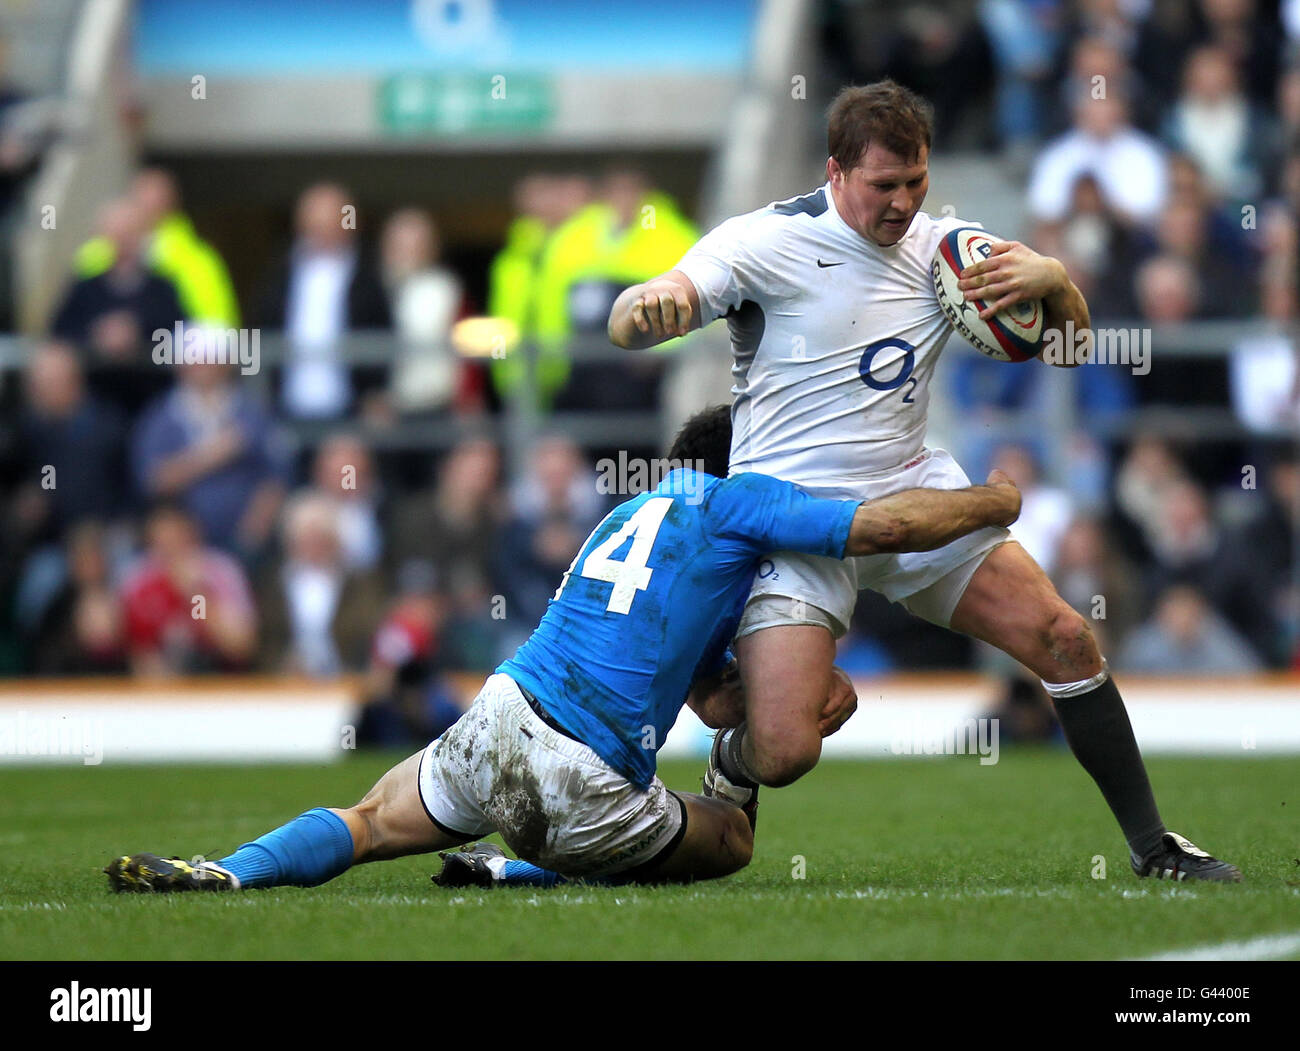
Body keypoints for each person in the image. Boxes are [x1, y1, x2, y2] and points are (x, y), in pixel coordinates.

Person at [606, 80, 1241, 883]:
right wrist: (646, 306)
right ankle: (736, 760)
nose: (904, 203)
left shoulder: (950, 251)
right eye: (884, 186)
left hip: (913, 498)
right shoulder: (762, 241)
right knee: (788, 749)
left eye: (917, 182)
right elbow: (652, 304)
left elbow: (1072, 348)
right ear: (836, 173)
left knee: (1067, 638)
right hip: (794, 524)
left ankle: (1156, 848)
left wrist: (1053, 279)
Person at [103, 406, 1022, 893]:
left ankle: (227, 869)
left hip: (501, 710)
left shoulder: (625, 513)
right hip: (585, 773)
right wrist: (990, 503)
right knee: (732, 837)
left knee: (368, 821)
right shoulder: (737, 502)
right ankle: (519, 866)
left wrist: (762, 696)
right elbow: (875, 525)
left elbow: (702, 695)